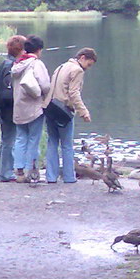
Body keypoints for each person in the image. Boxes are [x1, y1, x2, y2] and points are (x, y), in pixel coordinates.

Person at [44, 47, 97, 184]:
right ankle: (68, 177)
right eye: (89, 64)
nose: (88, 68)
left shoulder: (61, 66)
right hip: (63, 110)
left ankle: (51, 176)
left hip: (50, 107)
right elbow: (74, 93)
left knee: (52, 142)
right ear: (82, 58)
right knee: (67, 145)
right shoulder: (77, 70)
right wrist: (83, 112)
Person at [9, 35, 51, 183]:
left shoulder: (16, 65)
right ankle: (30, 171)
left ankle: (18, 170)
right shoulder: (36, 64)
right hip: (34, 108)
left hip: (19, 108)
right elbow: (45, 85)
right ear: (39, 50)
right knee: (34, 140)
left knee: (20, 138)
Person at [0, 34, 26, 182]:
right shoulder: (10, 66)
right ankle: (6, 173)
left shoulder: (5, 63)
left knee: (6, 141)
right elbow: (7, 92)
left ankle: (1, 172)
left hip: (3, 109)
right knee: (9, 141)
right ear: (20, 49)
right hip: (8, 110)